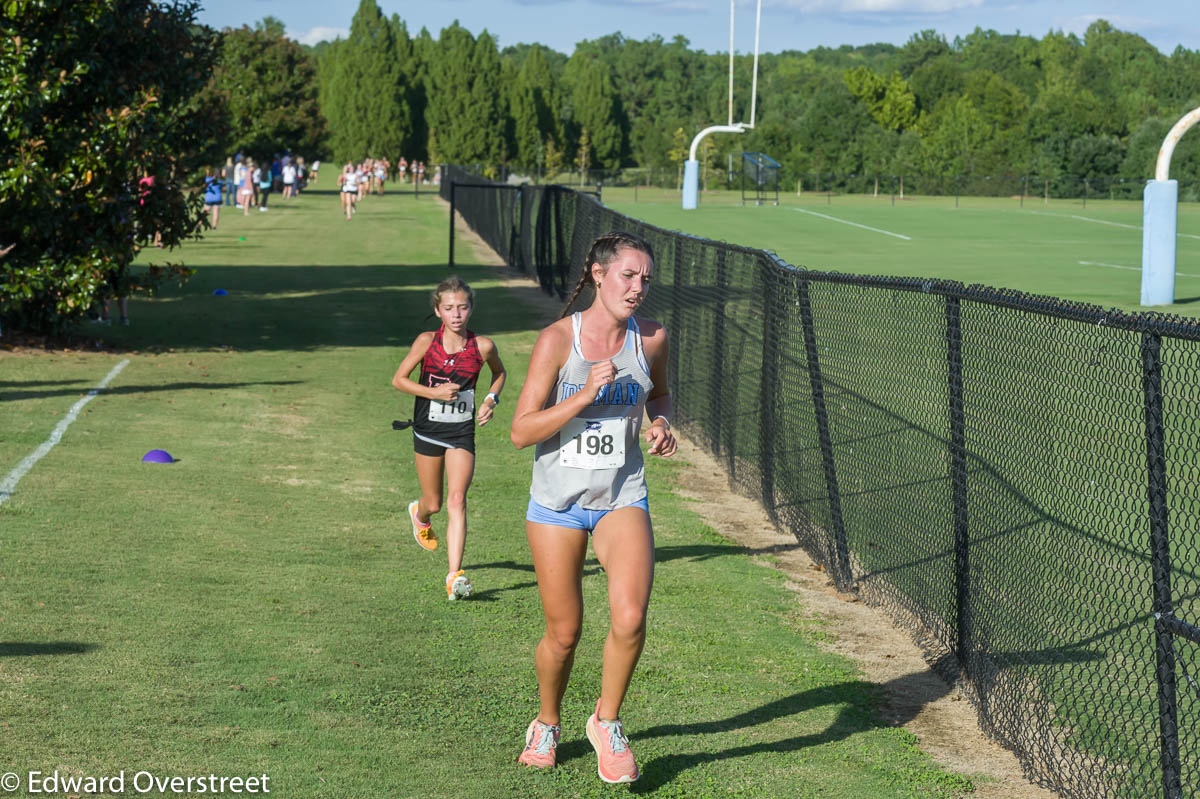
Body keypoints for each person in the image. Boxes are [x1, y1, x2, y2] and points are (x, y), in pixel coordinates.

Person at [510, 231, 675, 783]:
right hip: (557, 503)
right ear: (599, 275)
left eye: (645, 279)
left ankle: (606, 722)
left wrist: (661, 423)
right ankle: (547, 722)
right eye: (628, 276)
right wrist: (582, 395)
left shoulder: (650, 338)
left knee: (630, 617)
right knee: (564, 633)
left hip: (621, 494)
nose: (638, 288)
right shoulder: (558, 341)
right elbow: (520, 431)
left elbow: (659, 393)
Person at [391, 277, 507, 601]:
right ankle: (420, 514)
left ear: (471, 309)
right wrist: (434, 393)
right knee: (436, 503)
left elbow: (500, 373)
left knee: (458, 500)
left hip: (461, 433)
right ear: (438, 310)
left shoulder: (482, 346)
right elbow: (398, 380)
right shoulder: (427, 342)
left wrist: (490, 400)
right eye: (449, 308)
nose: (456, 314)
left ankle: (454, 575)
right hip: (427, 430)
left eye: (463, 307)